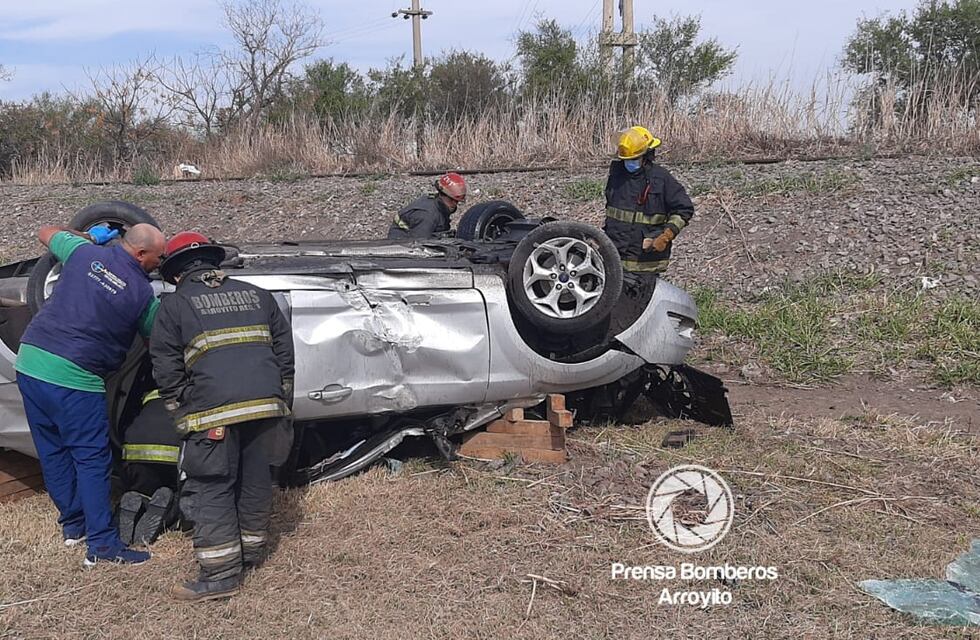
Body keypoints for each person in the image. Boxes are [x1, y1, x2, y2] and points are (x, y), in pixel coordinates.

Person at [149, 231, 294, 602]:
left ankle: (219, 575)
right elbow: (284, 351)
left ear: (176, 273)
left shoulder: (175, 305)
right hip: (267, 407)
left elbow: (166, 366)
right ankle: (252, 552)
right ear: (213, 263)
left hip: (213, 412)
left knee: (211, 485)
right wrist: (280, 400)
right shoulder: (258, 294)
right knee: (256, 478)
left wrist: (180, 411)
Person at [15, 222, 165, 566]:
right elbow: (156, 339)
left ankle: (74, 526)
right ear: (141, 254)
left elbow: (44, 231)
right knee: (92, 460)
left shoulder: (83, 253)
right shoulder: (142, 295)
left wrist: (91, 236)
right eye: (158, 258)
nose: (160, 263)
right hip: (75, 377)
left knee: (52, 450)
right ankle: (102, 546)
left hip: (31, 360)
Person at [603, 126, 695, 280]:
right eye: (626, 160)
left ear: (647, 156)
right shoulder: (617, 176)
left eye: (634, 160)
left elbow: (684, 209)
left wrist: (666, 235)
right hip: (614, 259)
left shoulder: (661, 179)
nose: (629, 164)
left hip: (646, 263)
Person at [116, 381, 181, 547]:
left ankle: (139, 500)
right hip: (173, 457)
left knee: (145, 488)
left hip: (135, 454)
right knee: (179, 496)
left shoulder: (148, 393)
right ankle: (170, 511)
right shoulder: (195, 390)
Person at [387, 172, 467, 239]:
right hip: (401, 245)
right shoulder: (428, 215)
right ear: (443, 195)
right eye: (451, 200)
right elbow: (420, 244)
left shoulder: (438, 204)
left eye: (457, 202)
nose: (454, 204)